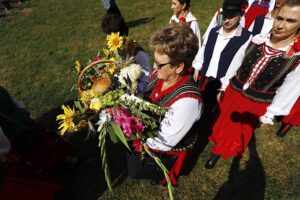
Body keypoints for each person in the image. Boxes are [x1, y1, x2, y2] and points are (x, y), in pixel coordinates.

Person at [205, 0, 300, 169]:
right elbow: (236, 63)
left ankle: (219, 152)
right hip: (234, 91)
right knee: (221, 121)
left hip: (254, 103)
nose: (281, 25)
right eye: (280, 18)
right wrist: (224, 86)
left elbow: (289, 91)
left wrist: (270, 114)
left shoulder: (296, 59)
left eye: (291, 21)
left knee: (237, 131)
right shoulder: (257, 39)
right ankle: (217, 142)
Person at [142, 23, 202, 186]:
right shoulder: (161, 75)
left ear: (179, 67)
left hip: (168, 146)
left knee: (165, 170)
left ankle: (164, 178)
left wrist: (132, 127)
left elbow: (165, 141)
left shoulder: (188, 102)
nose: (154, 68)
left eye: (160, 64)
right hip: (151, 134)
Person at [0, 86, 76, 199]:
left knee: (37, 148)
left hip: (16, 132)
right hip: (20, 124)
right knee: (41, 142)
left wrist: (4, 152)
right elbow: (14, 103)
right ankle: (64, 159)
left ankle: (62, 163)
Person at [197, 0, 252, 112]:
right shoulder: (213, 32)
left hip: (222, 84)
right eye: (225, 15)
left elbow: (238, 65)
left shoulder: (246, 38)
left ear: (241, 15)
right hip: (205, 78)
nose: (226, 20)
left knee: (211, 114)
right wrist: (197, 68)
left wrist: (223, 88)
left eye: (231, 16)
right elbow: (203, 49)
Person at [101, 13, 153, 95]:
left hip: (136, 94)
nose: (108, 39)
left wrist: (135, 90)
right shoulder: (116, 49)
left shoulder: (137, 52)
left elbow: (148, 79)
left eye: (109, 35)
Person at [169, 0, 202, 78]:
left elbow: (197, 46)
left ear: (183, 5)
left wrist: (196, 68)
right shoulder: (173, 19)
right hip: (172, 61)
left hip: (185, 64)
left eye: (174, 4)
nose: (171, 7)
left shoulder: (192, 23)